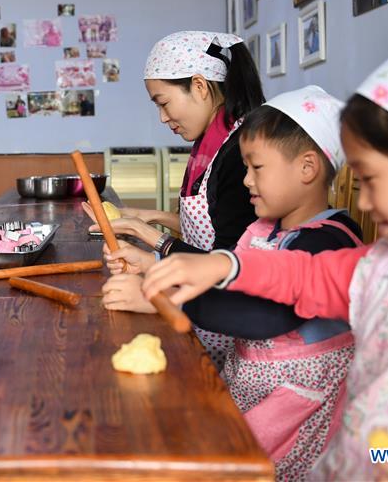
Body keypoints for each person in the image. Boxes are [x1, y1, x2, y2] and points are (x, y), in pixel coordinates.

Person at [141, 47, 388, 480]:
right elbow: (306, 274)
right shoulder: (384, 266)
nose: (361, 201)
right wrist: (224, 267)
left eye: (371, 181)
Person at [105, 86, 362, 480]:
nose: (245, 181)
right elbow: (219, 274)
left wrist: (164, 299)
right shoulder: (262, 229)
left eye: (256, 168)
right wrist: (153, 263)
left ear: (307, 169)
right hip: (251, 385)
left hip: (298, 411)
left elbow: (268, 315)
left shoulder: (331, 239)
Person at [85, 31, 265, 371]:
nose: (163, 118)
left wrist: (152, 241)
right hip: (201, 309)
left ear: (199, 86)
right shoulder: (210, 143)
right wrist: (147, 217)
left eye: (163, 103)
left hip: (222, 329)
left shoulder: (239, 152)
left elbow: (228, 262)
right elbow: (210, 226)